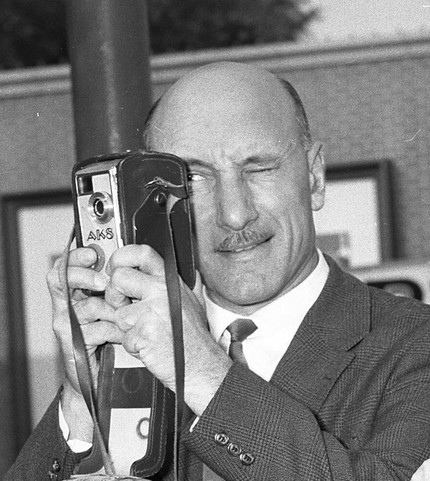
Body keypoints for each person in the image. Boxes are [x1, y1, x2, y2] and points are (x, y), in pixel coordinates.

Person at [5, 61, 430, 481]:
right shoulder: (137, 351)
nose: (234, 214)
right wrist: (82, 400)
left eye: (258, 168)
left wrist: (203, 372)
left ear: (315, 177)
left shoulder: (413, 345)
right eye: (193, 178)